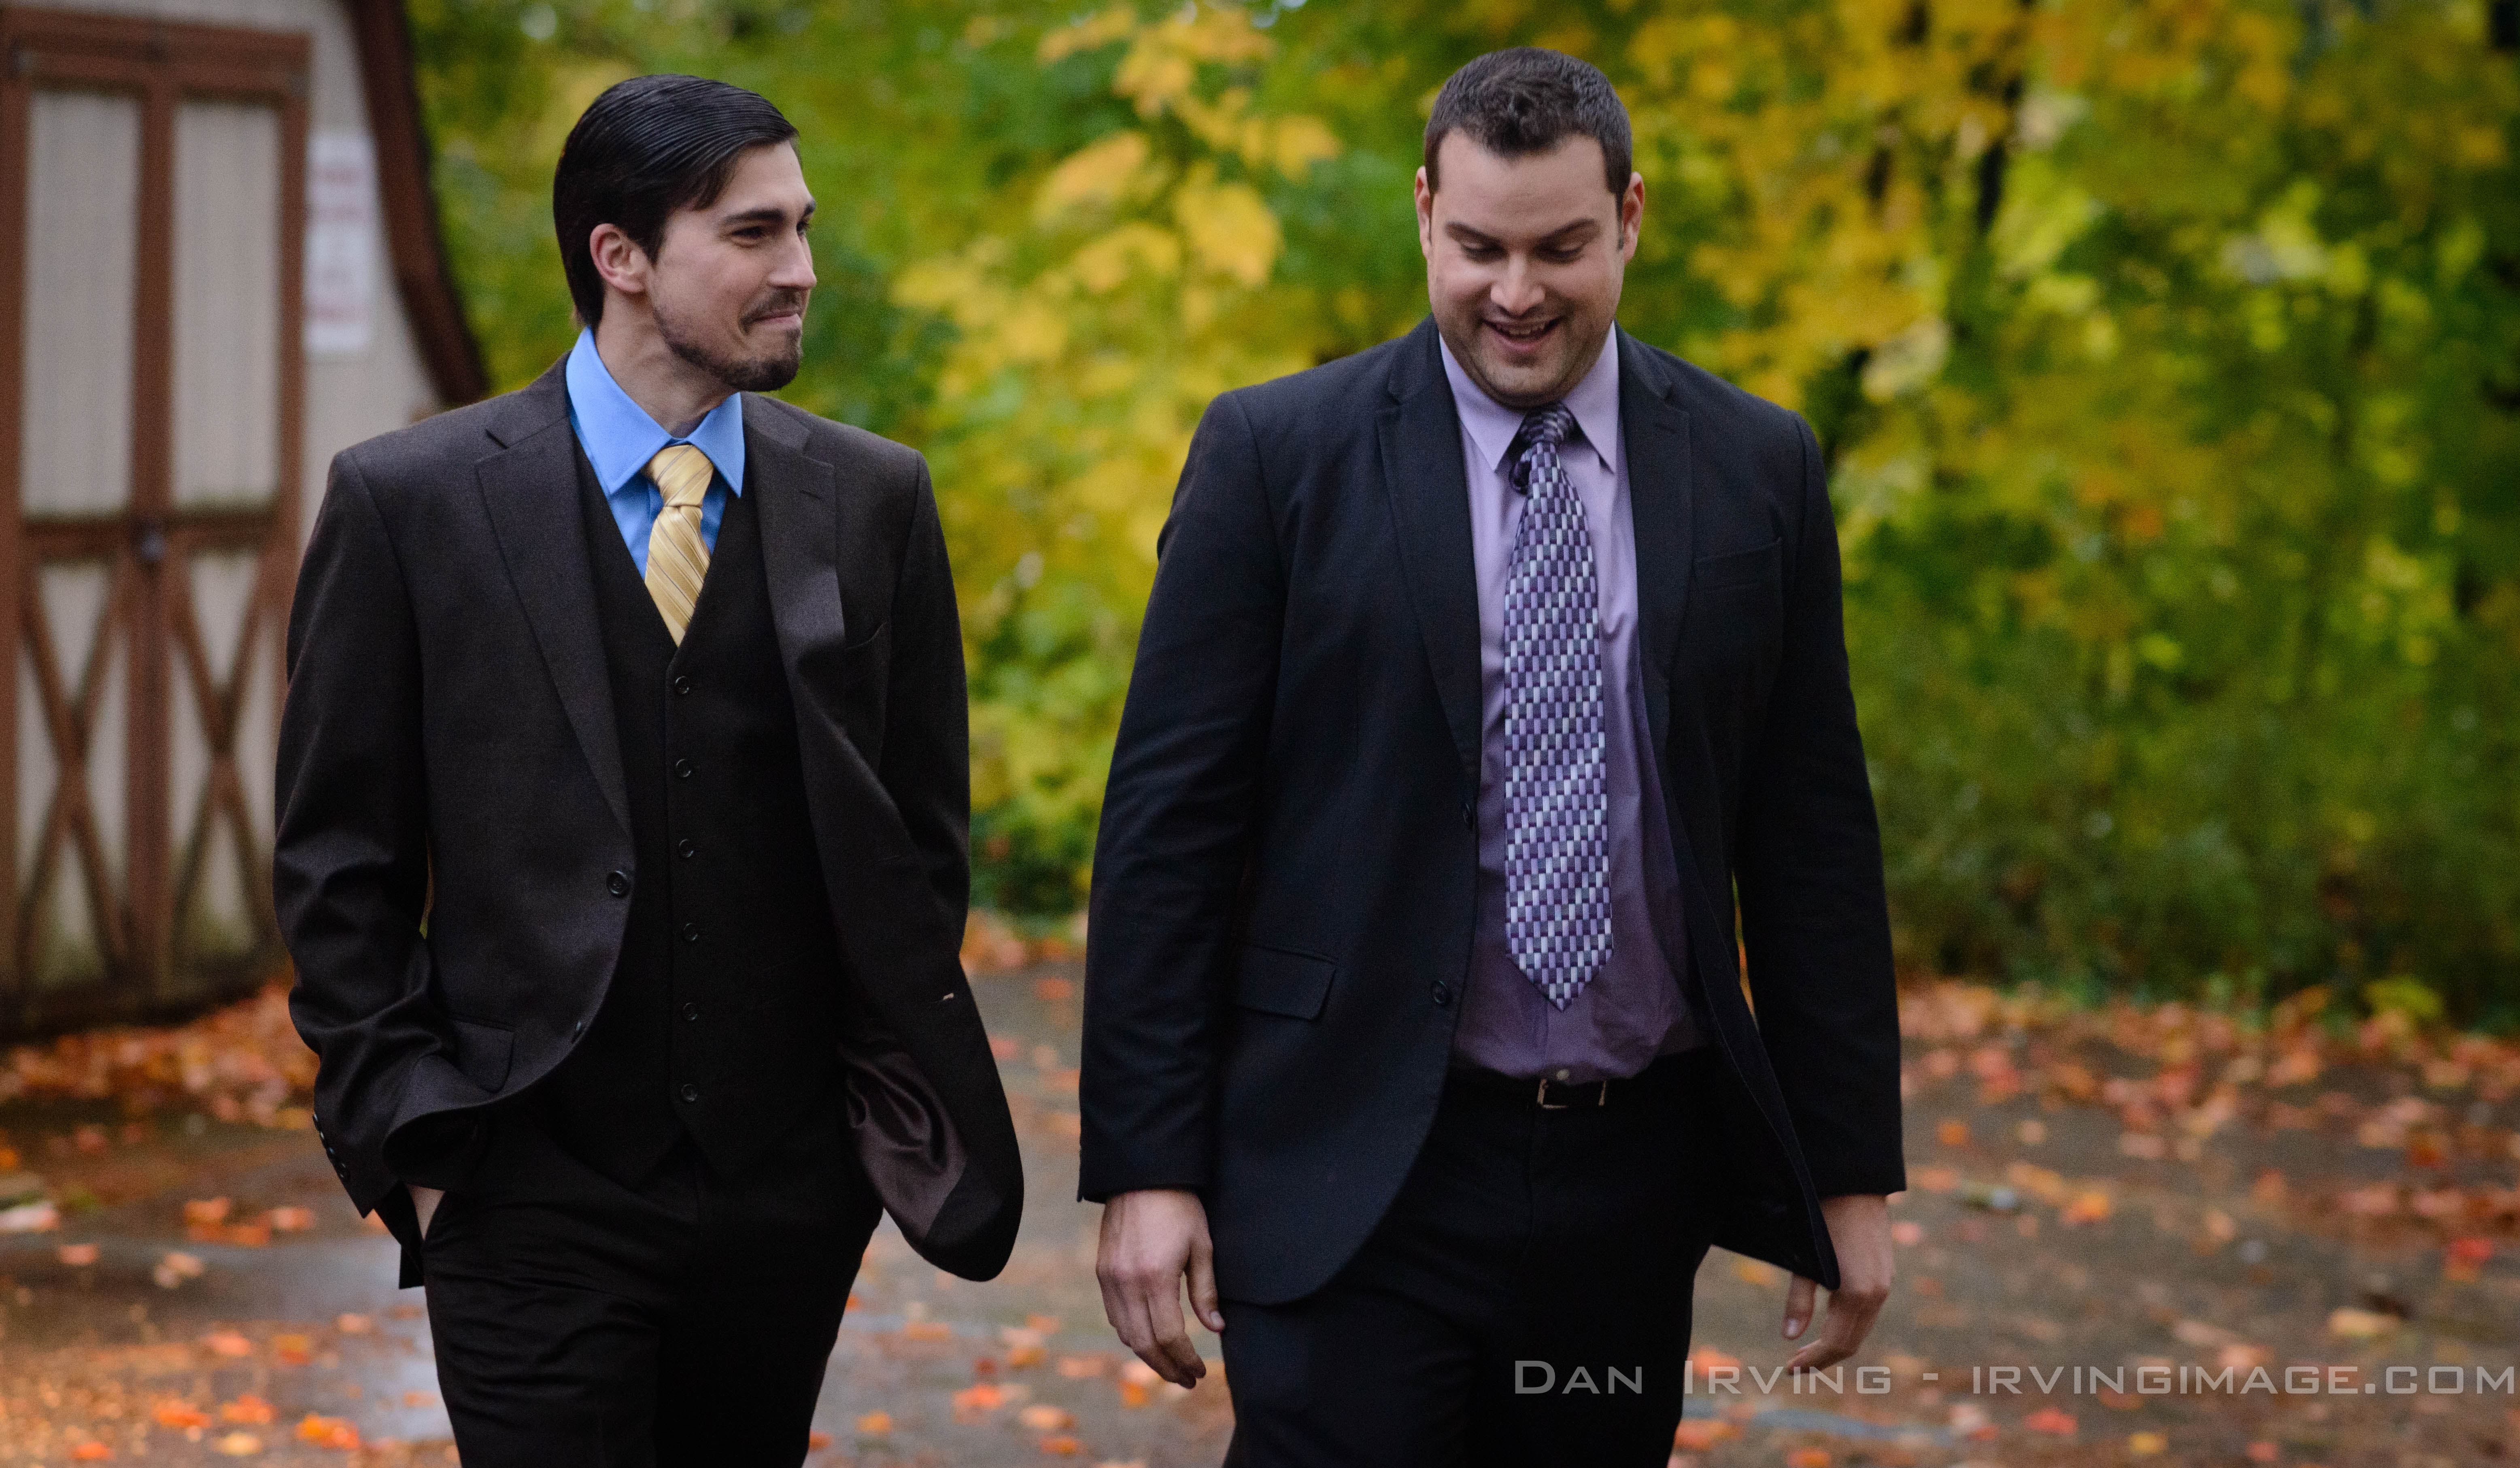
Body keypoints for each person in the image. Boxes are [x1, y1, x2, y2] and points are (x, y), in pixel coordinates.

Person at [1079, 47, 1904, 1466]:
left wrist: (1847, 1172)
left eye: (1561, 248)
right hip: (1350, 1160)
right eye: (1477, 247)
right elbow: (1170, 832)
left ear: (1631, 217)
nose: (1516, 292)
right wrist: (1147, 1167)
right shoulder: (1279, 457)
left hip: (1629, 1175)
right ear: (1421, 214)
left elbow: (1812, 838)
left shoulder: (1757, 467)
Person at [275, 74, 1021, 1466]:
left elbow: (917, 845)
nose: (800, 269)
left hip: (786, 1198)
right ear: (619, 257)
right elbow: (337, 861)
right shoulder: (412, 501)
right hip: (519, 1178)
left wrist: (849, 1147)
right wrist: (416, 1140)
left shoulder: (872, 501)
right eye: (751, 235)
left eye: (801, 228)